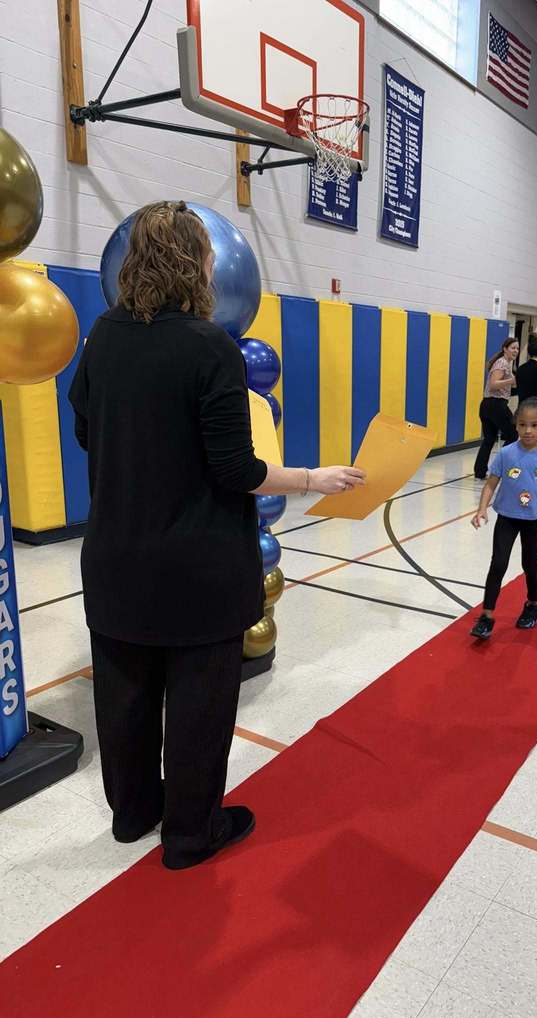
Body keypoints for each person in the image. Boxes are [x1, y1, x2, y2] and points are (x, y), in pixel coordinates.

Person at [68, 201, 365, 871]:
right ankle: (190, 834)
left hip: (115, 562)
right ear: (195, 265)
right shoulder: (210, 348)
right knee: (199, 707)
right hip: (197, 568)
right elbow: (236, 469)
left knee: (125, 700)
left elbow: (88, 431)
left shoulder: (104, 336)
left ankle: (133, 812)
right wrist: (313, 478)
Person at [469, 397, 537, 640]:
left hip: (533, 520)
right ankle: (486, 615)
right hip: (507, 518)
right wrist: (482, 508)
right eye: (522, 425)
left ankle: (533, 604)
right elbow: (491, 484)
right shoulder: (506, 453)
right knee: (498, 563)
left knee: (529, 564)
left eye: (534, 425)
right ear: (515, 425)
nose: (527, 430)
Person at [473, 336, 519, 480]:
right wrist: (511, 380)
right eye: (513, 348)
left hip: (487, 405)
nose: (516, 351)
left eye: (517, 348)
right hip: (495, 405)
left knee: (489, 439)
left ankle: (480, 472)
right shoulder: (502, 363)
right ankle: (500, 468)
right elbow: (493, 384)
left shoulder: (508, 364)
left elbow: (506, 386)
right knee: (513, 434)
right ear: (505, 349)